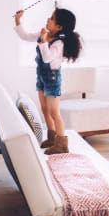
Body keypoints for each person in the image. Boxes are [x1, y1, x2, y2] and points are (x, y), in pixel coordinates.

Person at [14, 8, 82, 154]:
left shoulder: (59, 44)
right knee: (45, 109)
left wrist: (44, 41)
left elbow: (47, 57)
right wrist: (18, 21)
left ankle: (62, 143)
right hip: (41, 77)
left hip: (52, 78)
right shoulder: (43, 34)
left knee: (54, 111)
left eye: (52, 18)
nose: (48, 19)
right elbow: (25, 36)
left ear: (59, 27)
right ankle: (51, 138)